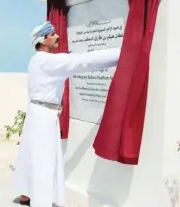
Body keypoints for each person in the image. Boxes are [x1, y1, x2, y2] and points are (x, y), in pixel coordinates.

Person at [13, 21, 121, 207]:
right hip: (43, 117)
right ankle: (41, 201)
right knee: (44, 161)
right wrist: (121, 53)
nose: (57, 37)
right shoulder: (48, 61)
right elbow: (83, 61)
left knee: (31, 155)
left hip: (36, 113)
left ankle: (26, 194)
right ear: (43, 40)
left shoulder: (36, 60)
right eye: (52, 34)